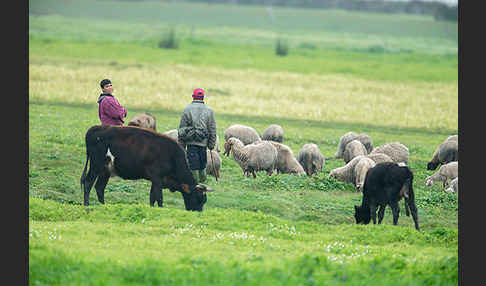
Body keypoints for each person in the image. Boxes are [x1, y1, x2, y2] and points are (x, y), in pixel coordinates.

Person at [178, 88, 217, 183]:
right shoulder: (209, 111)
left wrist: (181, 145)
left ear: (193, 96)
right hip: (203, 144)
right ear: (203, 97)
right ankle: (203, 182)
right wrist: (211, 145)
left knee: (192, 164)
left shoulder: (187, 109)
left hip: (191, 143)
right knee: (202, 163)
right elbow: (212, 129)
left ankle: (194, 183)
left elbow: (182, 129)